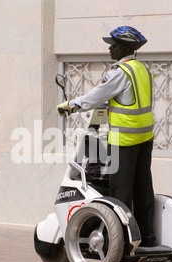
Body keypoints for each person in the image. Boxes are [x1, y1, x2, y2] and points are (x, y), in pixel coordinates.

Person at [57, 26, 156, 247]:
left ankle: (119, 242)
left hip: (124, 140)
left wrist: (70, 106)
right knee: (143, 187)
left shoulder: (119, 72)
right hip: (145, 137)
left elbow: (95, 96)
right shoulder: (142, 70)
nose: (109, 48)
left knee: (120, 190)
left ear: (125, 48)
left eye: (113, 45)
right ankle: (147, 238)